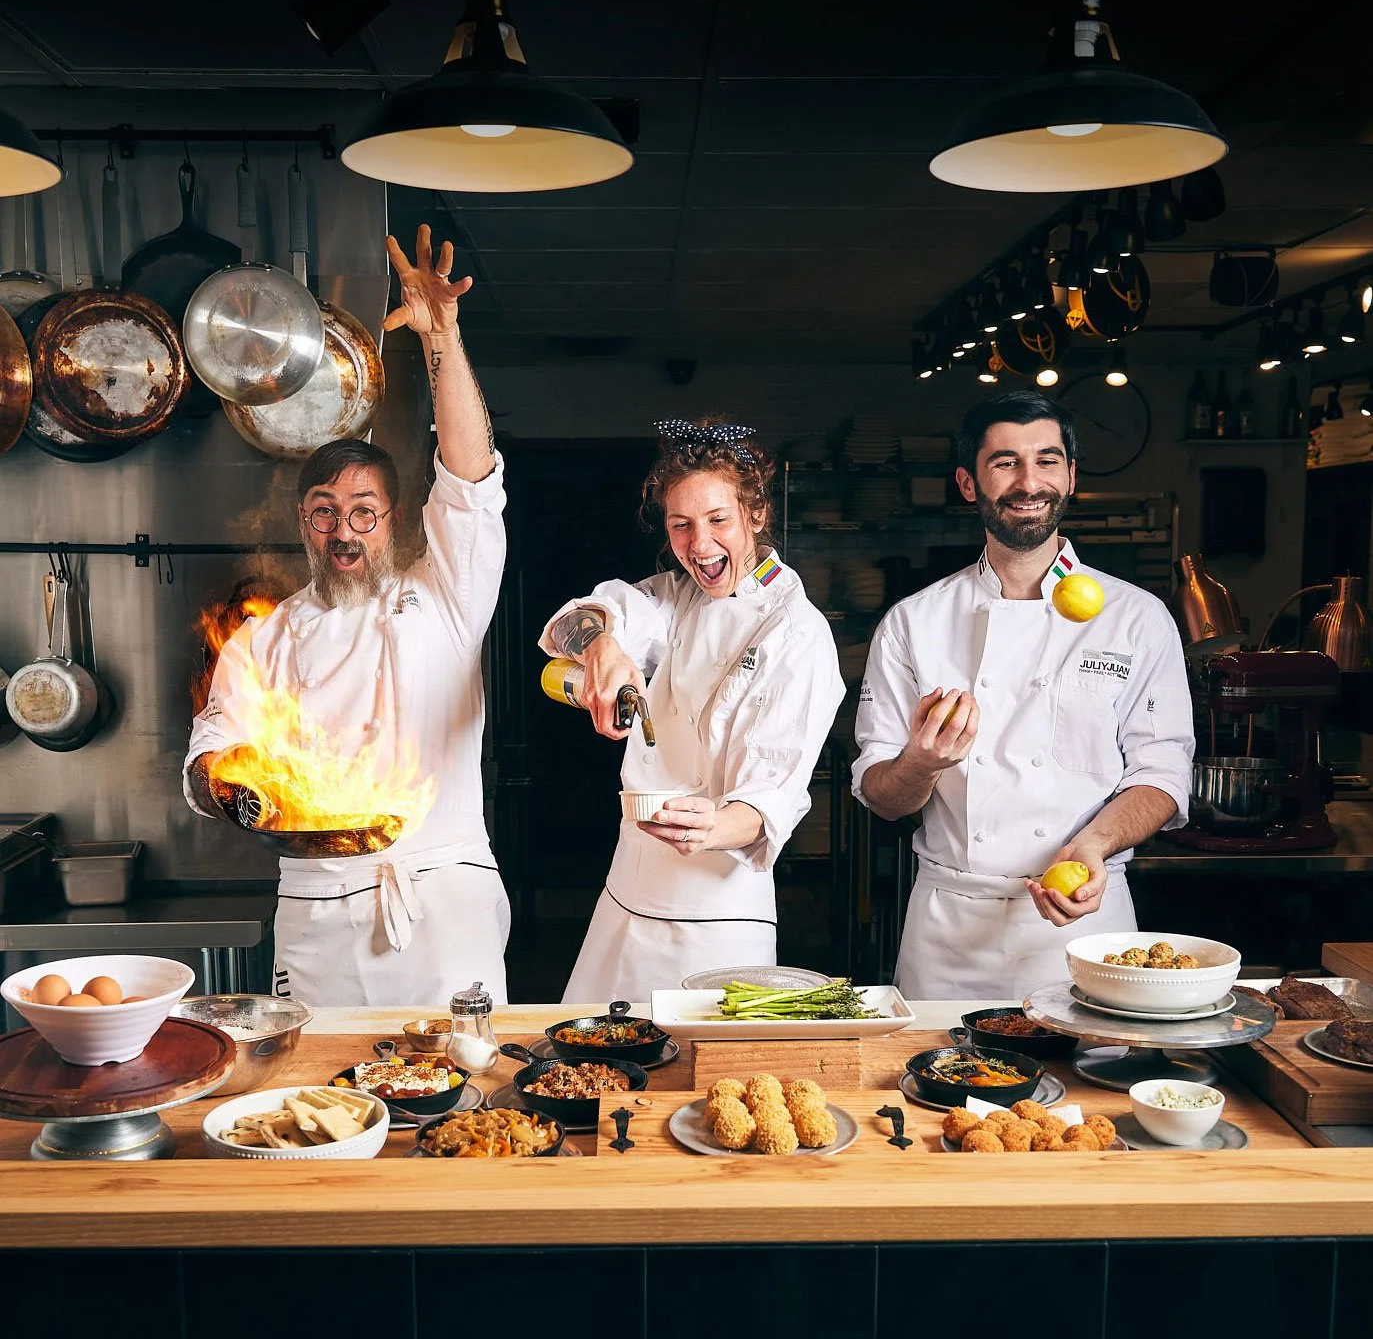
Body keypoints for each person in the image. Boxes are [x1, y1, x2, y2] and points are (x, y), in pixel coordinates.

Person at [184, 226, 511, 1006]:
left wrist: (441, 338)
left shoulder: (445, 596)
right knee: (317, 1106)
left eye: (363, 511)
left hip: (441, 895)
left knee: (463, 1094)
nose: (343, 529)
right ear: (304, 521)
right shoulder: (268, 637)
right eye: (325, 511)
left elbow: (470, 479)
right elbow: (214, 746)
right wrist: (226, 784)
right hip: (318, 905)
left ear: (394, 521)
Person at [852, 389, 1194, 1000]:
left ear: (1070, 475)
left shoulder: (1136, 618)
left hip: (1085, 923)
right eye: (1005, 462)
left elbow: (1163, 773)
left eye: (1047, 459)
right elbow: (882, 795)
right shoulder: (914, 622)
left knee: (1092, 1094)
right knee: (934, 1088)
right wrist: (921, 763)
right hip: (950, 930)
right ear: (968, 482)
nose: (1028, 481)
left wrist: (1093, 845)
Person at [539, 418, 845, 1002]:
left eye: (717, 520)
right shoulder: (675, 595)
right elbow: (595, 615)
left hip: (719, 915)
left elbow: (772, 795)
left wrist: (714, 827)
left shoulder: (796, 631)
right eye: (681, 525)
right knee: (593, 1070)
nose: (699, 545)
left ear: (755, 515)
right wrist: (603, 645)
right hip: (627, 895)